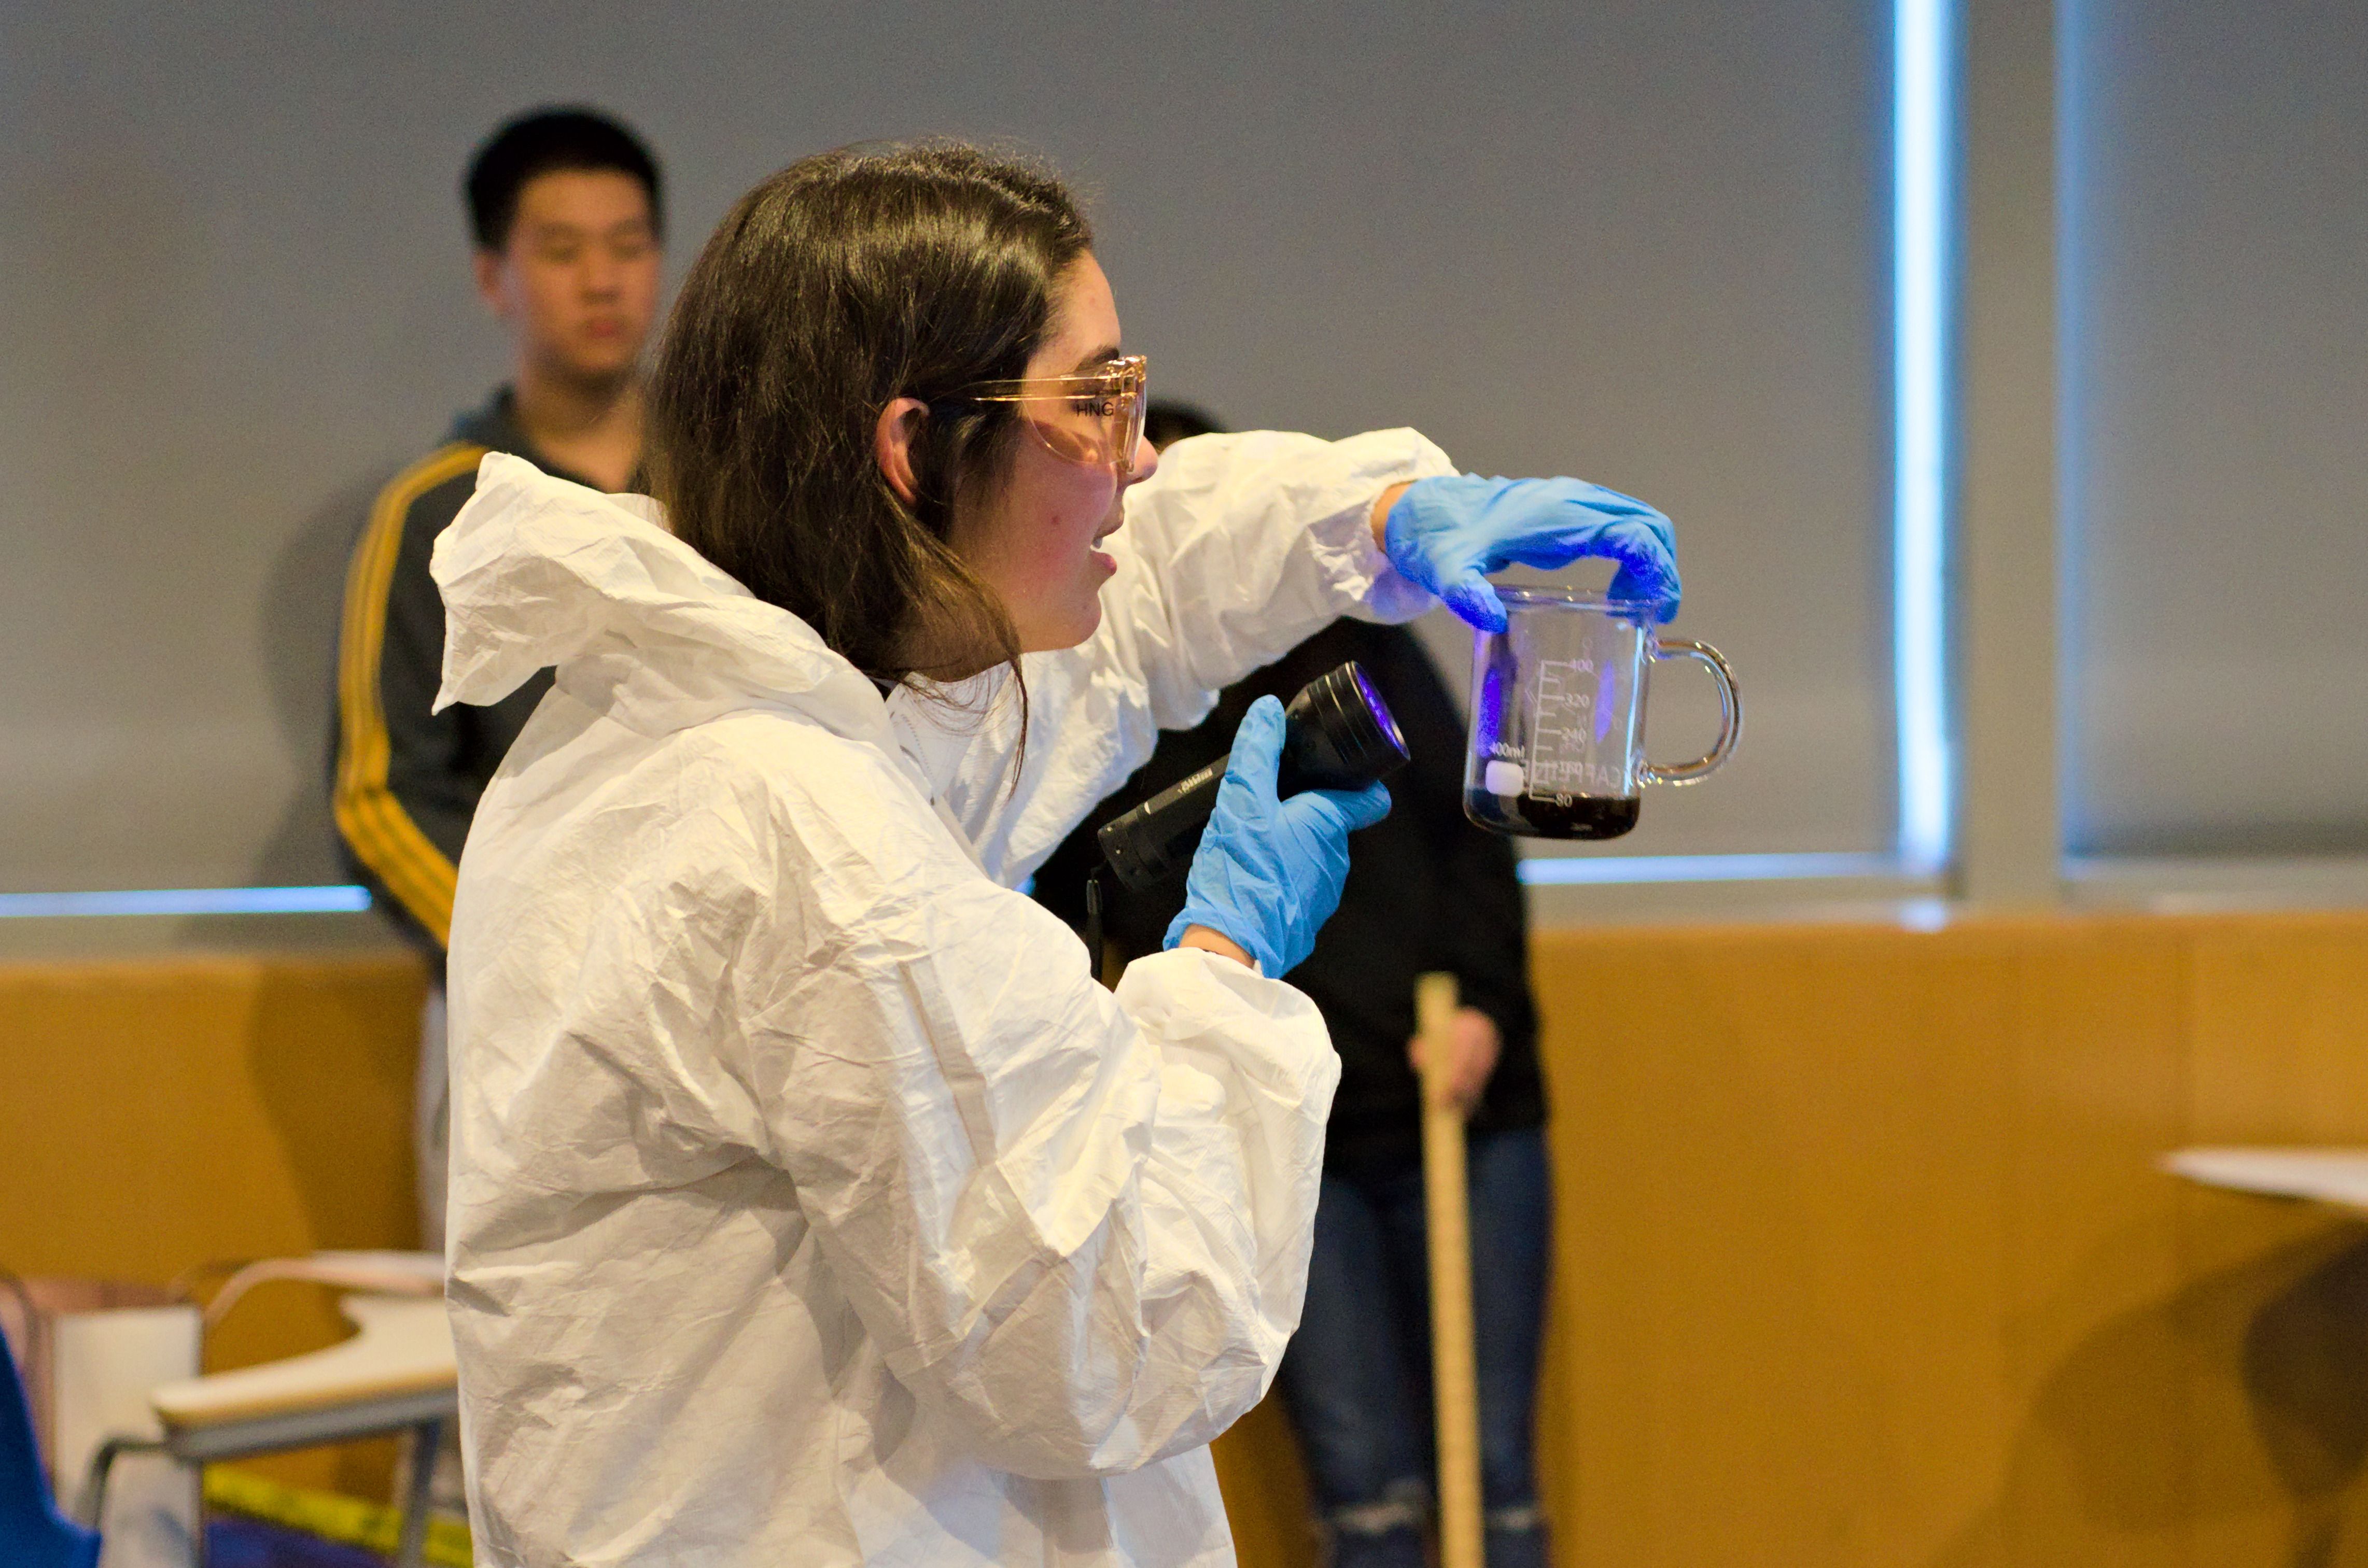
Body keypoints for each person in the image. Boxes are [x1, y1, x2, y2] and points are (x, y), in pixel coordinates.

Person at [430, 142, 1680, 1567]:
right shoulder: (793, 823)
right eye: (1094, 404)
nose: (1140, 458)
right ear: (911, 449)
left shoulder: (763, 694)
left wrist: (1380, 518)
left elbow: (1134, 600)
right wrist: (1220, 972)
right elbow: (1105, 1338)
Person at [1035, 403, 1551, 1567]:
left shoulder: (1346, 647)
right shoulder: (1091, 704)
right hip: (1278, 1136)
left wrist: (1480, 1002)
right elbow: (1085, 915)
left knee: (1494, 1480)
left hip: (1447, 1106)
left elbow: (1474, 830)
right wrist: (1217, 953)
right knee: (1361, 1491)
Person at [329, 106, 662, 1248]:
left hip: (716, 985)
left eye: (627, 245)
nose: (601, 280)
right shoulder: (439, 511)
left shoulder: (728, 491)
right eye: (562, 251)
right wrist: (529, 946)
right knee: (515, 1392)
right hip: (515, 1016)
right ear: (494, 277)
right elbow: (380, 793)